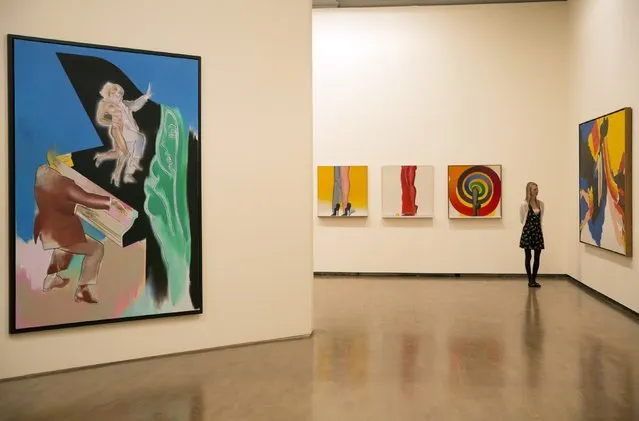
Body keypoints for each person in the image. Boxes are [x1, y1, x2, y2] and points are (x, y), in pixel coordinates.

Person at [33, 151, 126, 303]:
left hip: (49, 231)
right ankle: (83, 290)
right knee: (96, 249)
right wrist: (111, 202)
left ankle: (50, 279)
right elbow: (88, 199)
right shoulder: (64, 186)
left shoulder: (40, 186)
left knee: (63, 248)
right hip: (63, 233)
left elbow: (60, 203)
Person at [94, 81, 151, 187]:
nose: (118, 97)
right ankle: (120, 171)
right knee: (130, 148)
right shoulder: (104, 103)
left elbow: (134, 105)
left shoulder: (124, 103)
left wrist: (145, 97)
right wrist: (111, 119)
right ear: (110, 94)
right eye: (116, 95)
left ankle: (103, 158)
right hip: (117, 130)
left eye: (120, 95)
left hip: (127, 130)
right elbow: (100, 118)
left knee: (121, 154)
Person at [519, 182, 544, 288]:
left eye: (537, 189)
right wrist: (529, 228)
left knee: (537, 257)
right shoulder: (524, 204)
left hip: (538, 232)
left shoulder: (541, 204)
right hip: (528, 232)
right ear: (529, 191)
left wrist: (539, 230)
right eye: (534, 189)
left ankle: (534, 279)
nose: (537, 191)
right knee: (528, 256)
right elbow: (522, 219)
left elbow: (541, 218)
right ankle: (530, 280)